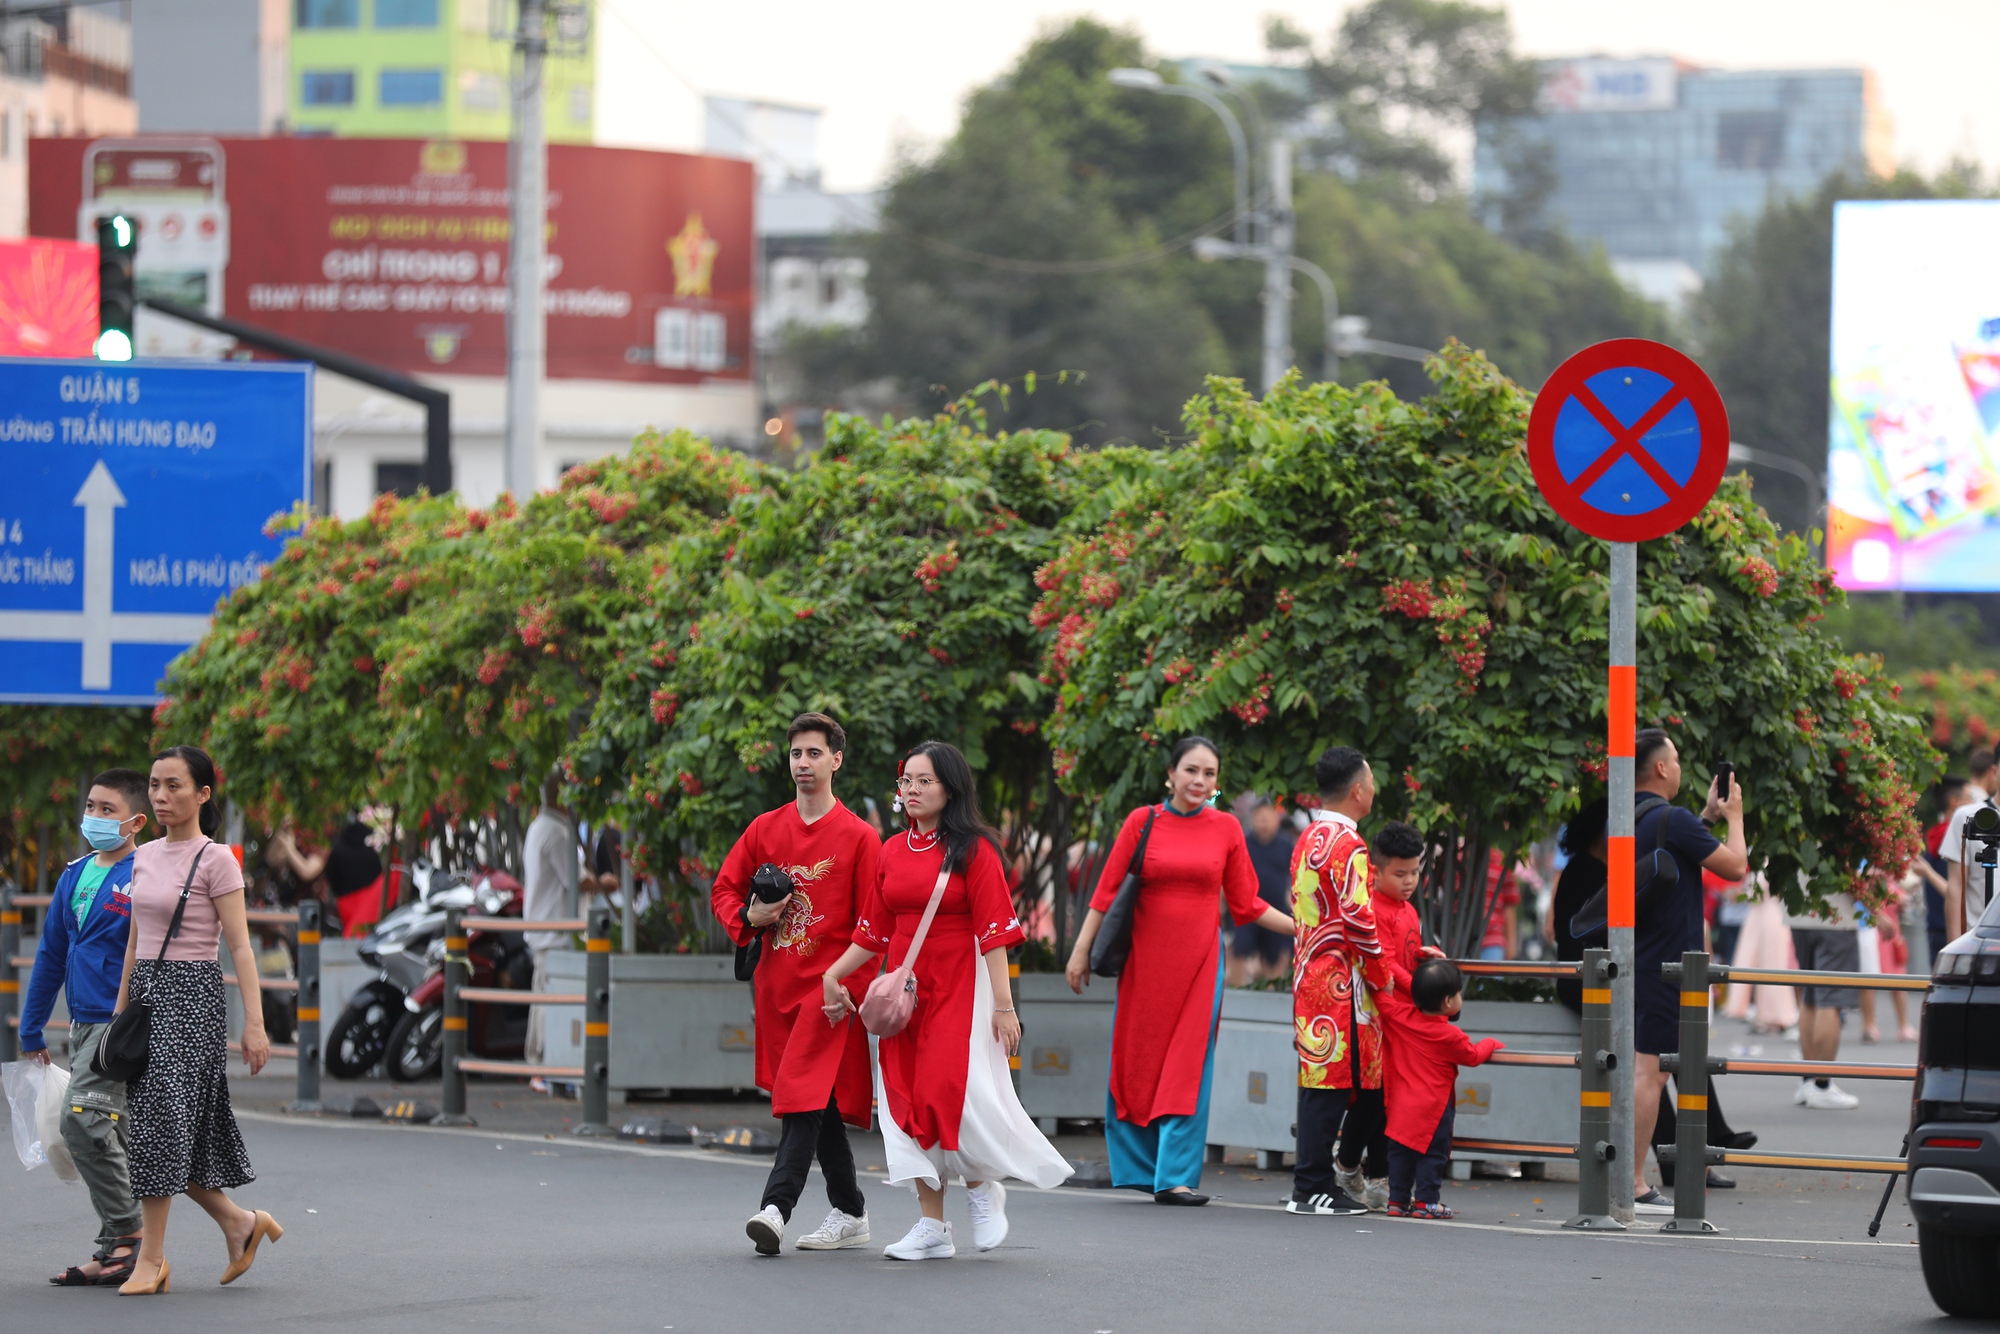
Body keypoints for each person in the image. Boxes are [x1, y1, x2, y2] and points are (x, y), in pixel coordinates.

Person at [821, 741, 1071, 1260]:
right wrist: (833, 974)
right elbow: (871, 930)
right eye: (906, 781)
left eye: (923, 781)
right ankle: (932, 1226)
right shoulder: (891, 851)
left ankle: (981, 1188)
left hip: (961, 985)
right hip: (906, 993)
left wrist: (1004, 1007)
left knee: (946, 1092)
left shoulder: (975, 849)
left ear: (950, 788)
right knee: (906, 1100)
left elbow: (996, 934)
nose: (911, 790)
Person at [1063, 736, 1295, 1205]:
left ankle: (1175, 1177)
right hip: (1145, 965)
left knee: (1188, 1067)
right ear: (1170, 773)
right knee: (1138, 1060)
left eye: (1209, 774)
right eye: (1191, 770)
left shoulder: (1227, 828)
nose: (1200, 781)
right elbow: (1104, 894)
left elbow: (1248, 904)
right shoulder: (1141, 821)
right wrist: (1080, 949)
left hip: (1201, 966)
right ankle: (1139, 1169)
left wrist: (1302, 930)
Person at [112, 746, 282, 1295]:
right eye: (155, 786)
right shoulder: (143, 855)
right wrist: (120, 1013)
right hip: (146, 997)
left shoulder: (217, 859)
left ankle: (152, 1259)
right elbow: (136, 940)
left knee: (162, 1124)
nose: (160, 796)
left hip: (192, 999)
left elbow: (240, 946)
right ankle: (240, 1224)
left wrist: (253, 1025)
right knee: (164, 1131)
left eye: (174, 786)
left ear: (203, 794)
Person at [713, 713, 883, 1256]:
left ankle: (775, 1208)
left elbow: (873, 924)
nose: (803, 763)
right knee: (818, 1102)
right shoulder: (765, 828)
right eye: (796, 754)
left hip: (828, 995)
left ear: (836, 759)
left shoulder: (860, 838)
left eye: (814, 753)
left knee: (804, 1098)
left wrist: (849, 989)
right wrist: (751, 918)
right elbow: (723, 888)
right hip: (776, 989)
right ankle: (851, 1210)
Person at [21, 768, 149, 1287]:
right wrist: (32, 1029)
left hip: (118, 1024)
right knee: (110, 1130)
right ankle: (115, 1247)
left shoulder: (146, 873)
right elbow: (51, 953)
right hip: (80, 1024)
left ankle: (129, 1236)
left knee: (83, 1121)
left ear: (136, 821)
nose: (93, 817)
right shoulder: (74, 874)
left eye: (107, 810)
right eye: (91, 807)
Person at [1629, 729, 1747, 1213]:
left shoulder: (1634, 814)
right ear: (1660, 768)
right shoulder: (1671, 819)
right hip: (1668, 963)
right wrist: (1734, 818)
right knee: (1651, 1072)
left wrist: (1706, 818)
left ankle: (1642, 1175)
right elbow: (1736, 867)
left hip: (1642, 953)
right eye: (1675, 759)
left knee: (1653, 1068)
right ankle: (1633, 1183)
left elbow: (1674, 854)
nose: (1679, 767)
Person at [1286, 746, 1391, 1217]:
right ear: (1357, 791)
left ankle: (1319, 1181)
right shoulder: (1349, 845)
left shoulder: (1308, 837)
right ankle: (1310, 1186)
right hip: (1341, 984)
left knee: (1326, 1082)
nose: (1374, 790)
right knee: (1329, 1088)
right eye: (1371, 783)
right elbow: (1360, 920)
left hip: (1311, 974)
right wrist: (1383, 976)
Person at [1336, 819, 1434, 1211]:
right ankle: (1346, 1166)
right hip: (1374, 1019)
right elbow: (1385, 966)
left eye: (1415, 871)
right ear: (1375, 871)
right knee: (1372, 1101)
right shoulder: (1374, 908)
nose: (1409, 880)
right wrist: (1421, 986)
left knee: (1390, 1102)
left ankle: (1379, 1179)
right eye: (1400, 873)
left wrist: (1425, 959)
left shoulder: (1408, 909)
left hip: (1400, 1019)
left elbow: (1406, 955)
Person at [1379, 959, 1503, 1219]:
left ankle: (1397, 1201)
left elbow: (1382, 1002)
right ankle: (1426, 1203)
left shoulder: (1399, 1017)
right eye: (1459, 993)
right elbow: (1473, 1055)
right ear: (1448, 1002)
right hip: (1434, 1109)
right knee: (1432, 1155)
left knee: (1400, 1154)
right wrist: (1491, 1042)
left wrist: (1386, 986)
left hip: (1400, 1106)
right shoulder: (1450, 1036)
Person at [521, 774, 616, 1092]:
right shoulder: (558, 832)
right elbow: (574, 881)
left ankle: (538, 1066)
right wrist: (606, 882)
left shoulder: (539, 827)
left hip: (542, 926)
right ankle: (544, 1068)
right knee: (551, 1002)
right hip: (557, 929)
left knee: (542, 999)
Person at [1228, 798, 1295, 986]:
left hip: (1276, 909)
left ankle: (1272, 991)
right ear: (1253, 819)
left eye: (1268, 817)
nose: (1264, 822)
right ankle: (1236, 989)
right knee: (1239, 949)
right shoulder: (1243, 842)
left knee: (1275, 954)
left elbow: (1294, 875)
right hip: (1246, 908)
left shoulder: (1286, 844)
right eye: (1260, 817)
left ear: (1276, 819)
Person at [1942, 749, 1998, 938]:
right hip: (1979, 943)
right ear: (1994, 771)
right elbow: (1956, 885)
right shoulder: (1968, 816)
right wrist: (1954, 947)